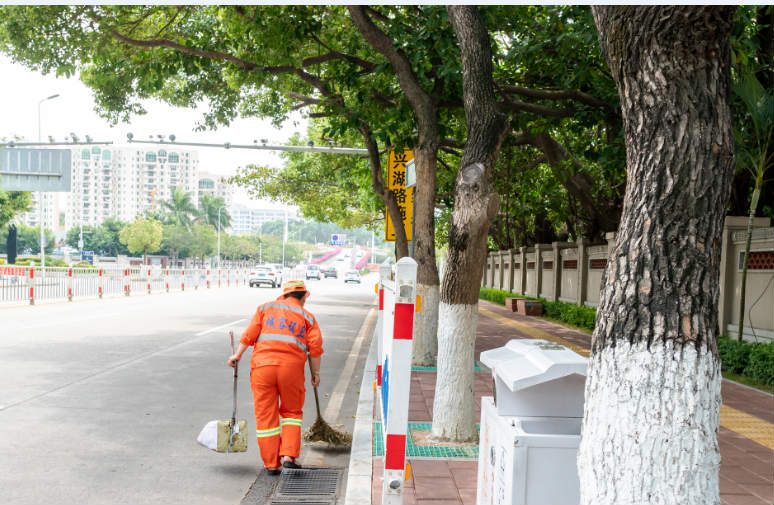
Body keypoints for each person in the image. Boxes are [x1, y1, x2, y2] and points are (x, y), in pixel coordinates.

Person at [228, 279, 323, 475]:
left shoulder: (265, 308)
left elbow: (249, 335)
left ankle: (271, 463)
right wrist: (315, 374)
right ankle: (289, 456)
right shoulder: (308, 317)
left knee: (265, 415)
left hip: (263, 368)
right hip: (291, 371)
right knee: (292, 413)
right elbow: (315, 349)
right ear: (305, 296)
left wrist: (237, 355)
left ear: (284, 294)